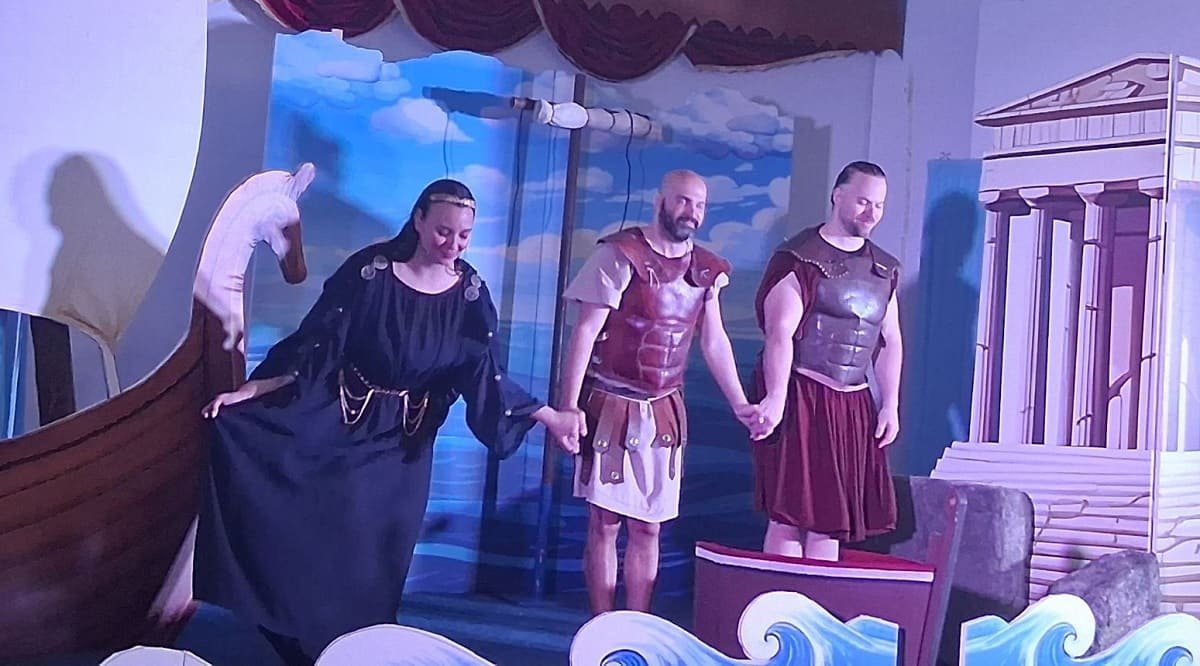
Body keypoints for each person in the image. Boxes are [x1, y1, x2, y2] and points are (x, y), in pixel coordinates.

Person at [195, 179, 581, 664]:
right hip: (340, 425)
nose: (453, 244)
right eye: (443, 231)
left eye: (464, 236)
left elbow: (488, 376)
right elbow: (313, 347)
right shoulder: (370, 274)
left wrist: (550, 417)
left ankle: (357, 654)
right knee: (320, 542)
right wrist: (249, 392)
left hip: (404, 449)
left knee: (376, 563)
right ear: (418, 220)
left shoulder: (470, 295)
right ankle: (301, 645)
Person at [557, 169, 767, 615]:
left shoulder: (707, 271)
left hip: (663, 410)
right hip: (611, 404)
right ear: (661, 201)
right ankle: (602, 626)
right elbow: (586, 333)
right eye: (684, 201)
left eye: (700, 205)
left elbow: (714, 341)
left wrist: (740, 403)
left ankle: (637, 627)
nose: (692, 212)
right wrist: (568, 407)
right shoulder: (620, 255)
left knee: (649, 526)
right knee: (605, 523)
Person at [750, 160, 902, 562]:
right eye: (863, 202)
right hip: (802, 395)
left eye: (879, 205)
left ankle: (815, 601)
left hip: (852, 403)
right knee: (790, 513)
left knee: (830, 520)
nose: (871, 213)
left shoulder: (885, 269)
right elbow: (779, 333)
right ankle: (779, 596)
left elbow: (889, 340)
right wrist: (776, 398)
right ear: (838, 196)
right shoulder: (800, 258)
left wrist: (889, 405)